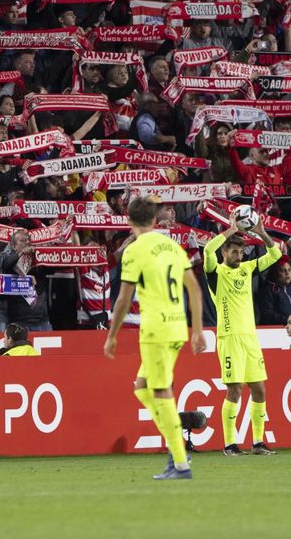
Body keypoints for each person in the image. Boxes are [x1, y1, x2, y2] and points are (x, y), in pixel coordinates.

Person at [103, 196, 205, 480]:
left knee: (161, 393)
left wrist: (111, 335)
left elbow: (123, 299)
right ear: (154, 219)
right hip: (177, 327)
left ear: (128, 219)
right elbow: (194, 290)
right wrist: (196, 330)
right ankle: (175, 441)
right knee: (141, 387)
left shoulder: (135, 251)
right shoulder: (173, 246)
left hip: (155, 329)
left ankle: (180, 462)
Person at [202, 218, 282, 456]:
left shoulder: (247, 269)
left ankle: (257, 442)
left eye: (241, 252)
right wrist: (231, 230)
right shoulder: (216, 273)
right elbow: (208, 249)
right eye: (235, 251)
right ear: (225, 252)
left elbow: (275, 255)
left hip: (250, 338)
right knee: (234, 390)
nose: (239, 255)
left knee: (259, 389)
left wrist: (262, 233)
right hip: (229, 338)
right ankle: (229, 444)